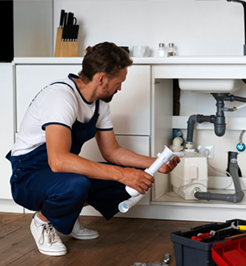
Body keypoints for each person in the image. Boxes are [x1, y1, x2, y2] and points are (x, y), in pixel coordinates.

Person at [6, 42, 180, 256]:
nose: (120, 88)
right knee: (80, 184)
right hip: (29, 176)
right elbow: (58, 160)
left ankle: (68, 215)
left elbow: (112, 152)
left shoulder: (100, 103)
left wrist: (155, 164)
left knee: (131, 180)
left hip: (60, 173)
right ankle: (42, 222)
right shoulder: (61, 98)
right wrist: (121, 174)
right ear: (101, 79)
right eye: (118, 82)